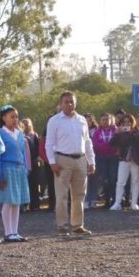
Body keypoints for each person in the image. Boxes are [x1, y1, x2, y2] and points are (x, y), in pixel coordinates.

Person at [45, 91, 96, 236]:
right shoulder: (54, 120)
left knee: (79, 194)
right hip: (63, 159)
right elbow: (49, 143)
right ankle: (62, 226)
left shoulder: (81, 120)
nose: (69, 104)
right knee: (62, 195)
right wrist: (52, 162)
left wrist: (91, 161)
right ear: (61, 104)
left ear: (76, 103)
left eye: (72, 101)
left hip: (80, 159)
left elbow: (87, 142)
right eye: (66, 102)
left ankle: (77, 225)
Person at [0, 106, 31, 243]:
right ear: (4, 118)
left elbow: (23, 154)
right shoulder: (0, 134)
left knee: (17, 202)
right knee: (8, 202)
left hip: (19, 169)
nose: (15, 119)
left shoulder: (20, 134)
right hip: (7, 169)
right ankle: (8, 232)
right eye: (12, 116)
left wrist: (25, 169)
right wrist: (0, 176)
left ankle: (15, 231)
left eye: (16, 116)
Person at [110, 113, 139, 211]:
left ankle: (134, 203)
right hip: (124, 159)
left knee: (135, 181)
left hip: (136, 159)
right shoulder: (120, 133)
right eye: (124, 122)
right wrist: (116, 133)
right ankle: (117, 203)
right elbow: (111, 144)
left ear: (133, 122)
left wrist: (133, 133)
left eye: (129, 122)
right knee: (120, 182)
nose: (127, 124)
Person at [90, 113, 119, 210]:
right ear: (100, 121)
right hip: (101, 158)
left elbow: (117, 144)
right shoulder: (97, 132)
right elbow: (96, 145)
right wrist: (108, 146)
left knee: (113, 178)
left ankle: (115, 200)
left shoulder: (116, 131)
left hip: (113, 158)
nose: (105, 121)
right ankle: (106, 200)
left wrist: (107, 146)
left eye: (107, 119)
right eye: (103, 119)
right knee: (104, 179)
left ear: (112, 120)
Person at [20, 118, 42, 211]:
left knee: (34, 183)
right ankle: (24, 205)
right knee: (24, 184)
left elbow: (38, 148)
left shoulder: (34, 135)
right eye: (24, 123)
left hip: (33, 162)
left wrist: (38, 157)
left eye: (27, 123)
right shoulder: (20, 136)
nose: (26, 125)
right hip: (23, 163)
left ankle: (35, 205)